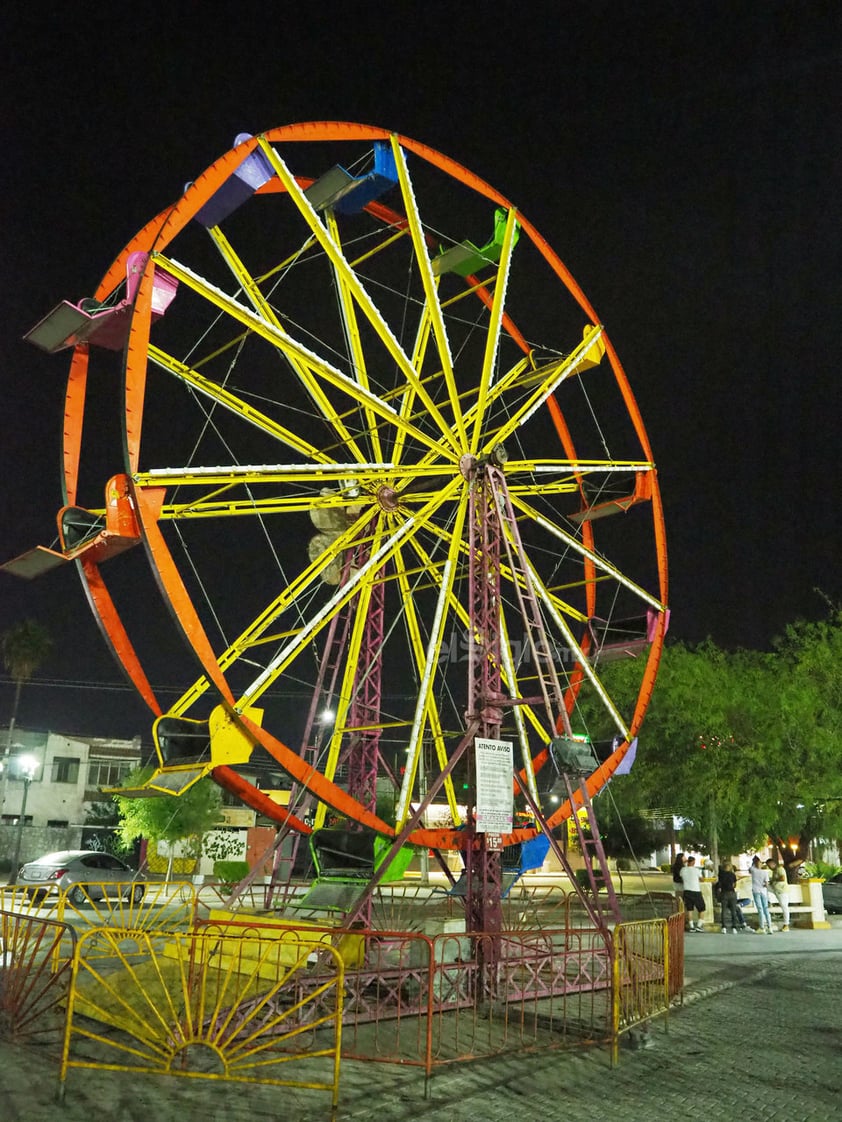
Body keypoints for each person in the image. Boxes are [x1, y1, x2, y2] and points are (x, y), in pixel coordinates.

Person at [679, 855, 706, 931]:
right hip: (696, 891)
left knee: (689, 909)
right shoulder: (696, 870)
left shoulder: (682, 870)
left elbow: (681, 877)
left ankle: (691, 926)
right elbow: (702, 879)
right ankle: (699, 925)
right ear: (693, 862)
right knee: (702, 908)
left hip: (687, 891)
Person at [750, 855, 773, 933]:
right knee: (766, 909)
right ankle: (770, 927)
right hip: (763, 892)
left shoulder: (753, 870)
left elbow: (750, 869)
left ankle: (762, 927)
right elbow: (766, 884)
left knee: (760, 909)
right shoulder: (765, 872)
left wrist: (754, 861)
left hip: (756, 891)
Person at [715, 861, 740, 932]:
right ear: (730, 867)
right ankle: (734, 927)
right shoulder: (732, 875)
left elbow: (719, 884)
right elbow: (734, 885)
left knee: (724, 910)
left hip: (724, 893)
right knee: (733, 910)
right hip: (732, 893)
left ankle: (724, 927)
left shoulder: (721, 874)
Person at [766, 857, 790, 931]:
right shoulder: (774, 871)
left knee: (784, 906)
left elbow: (782, 878)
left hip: (781, 890)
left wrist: (773, 880)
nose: (769, 867)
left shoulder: (780, 869)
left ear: (772, 864)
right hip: (775, 889)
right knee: (764, 888)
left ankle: (786, 924)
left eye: (769, 865)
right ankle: (768, 901)